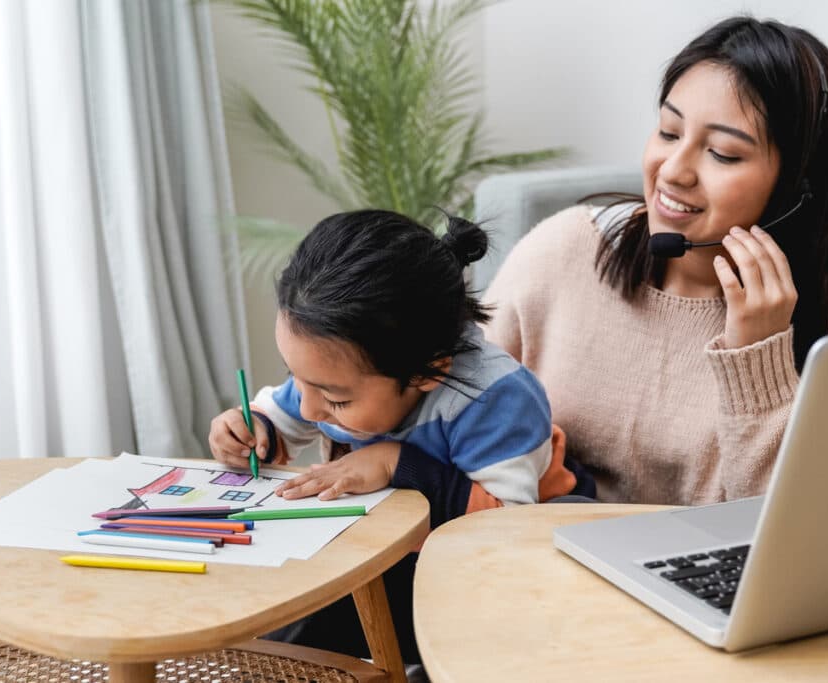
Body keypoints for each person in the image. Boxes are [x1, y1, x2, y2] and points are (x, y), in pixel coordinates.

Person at [482, 16, 828, 507]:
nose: (673, 171)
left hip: (712, 579)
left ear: (795, 191)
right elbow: (445, 402)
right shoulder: (564, 249)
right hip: (527, 562)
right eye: (669, 132)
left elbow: (804, 534)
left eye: (721, 153)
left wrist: (758, 356)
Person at [208, 208, 591, 662]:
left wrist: (396, 462)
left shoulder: (495, 399)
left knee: (320, 625)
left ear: (427, 372)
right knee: (281, 622)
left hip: (517, 559)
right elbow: (284, 415)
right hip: (403, 551)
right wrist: (253, 430)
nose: (310, 408)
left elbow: (501, 527)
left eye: (335, 401)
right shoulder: (337, 374)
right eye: (297, 377)